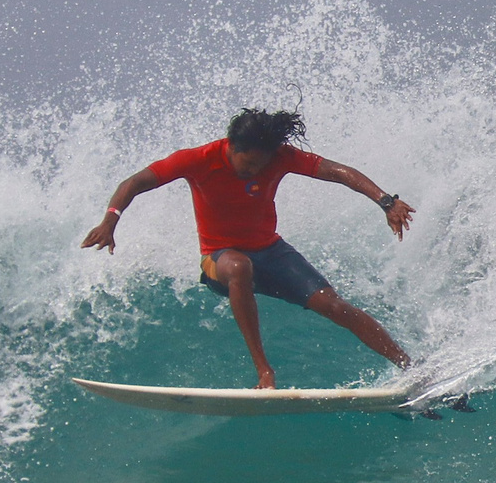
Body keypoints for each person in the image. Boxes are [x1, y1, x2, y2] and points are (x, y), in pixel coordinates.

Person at [80, 107, 413, 388]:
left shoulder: (279, 158)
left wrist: (385, 201)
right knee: (239, 267)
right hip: (219, 260)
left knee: (337, 307)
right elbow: (134, 182)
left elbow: (336, 171)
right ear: (231, 146)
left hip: (271, 252)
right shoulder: (198, 160)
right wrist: (110, 221)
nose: (255, 171)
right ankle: (264, 371)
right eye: (249, 164)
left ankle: (412, 368)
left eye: (261, 165)